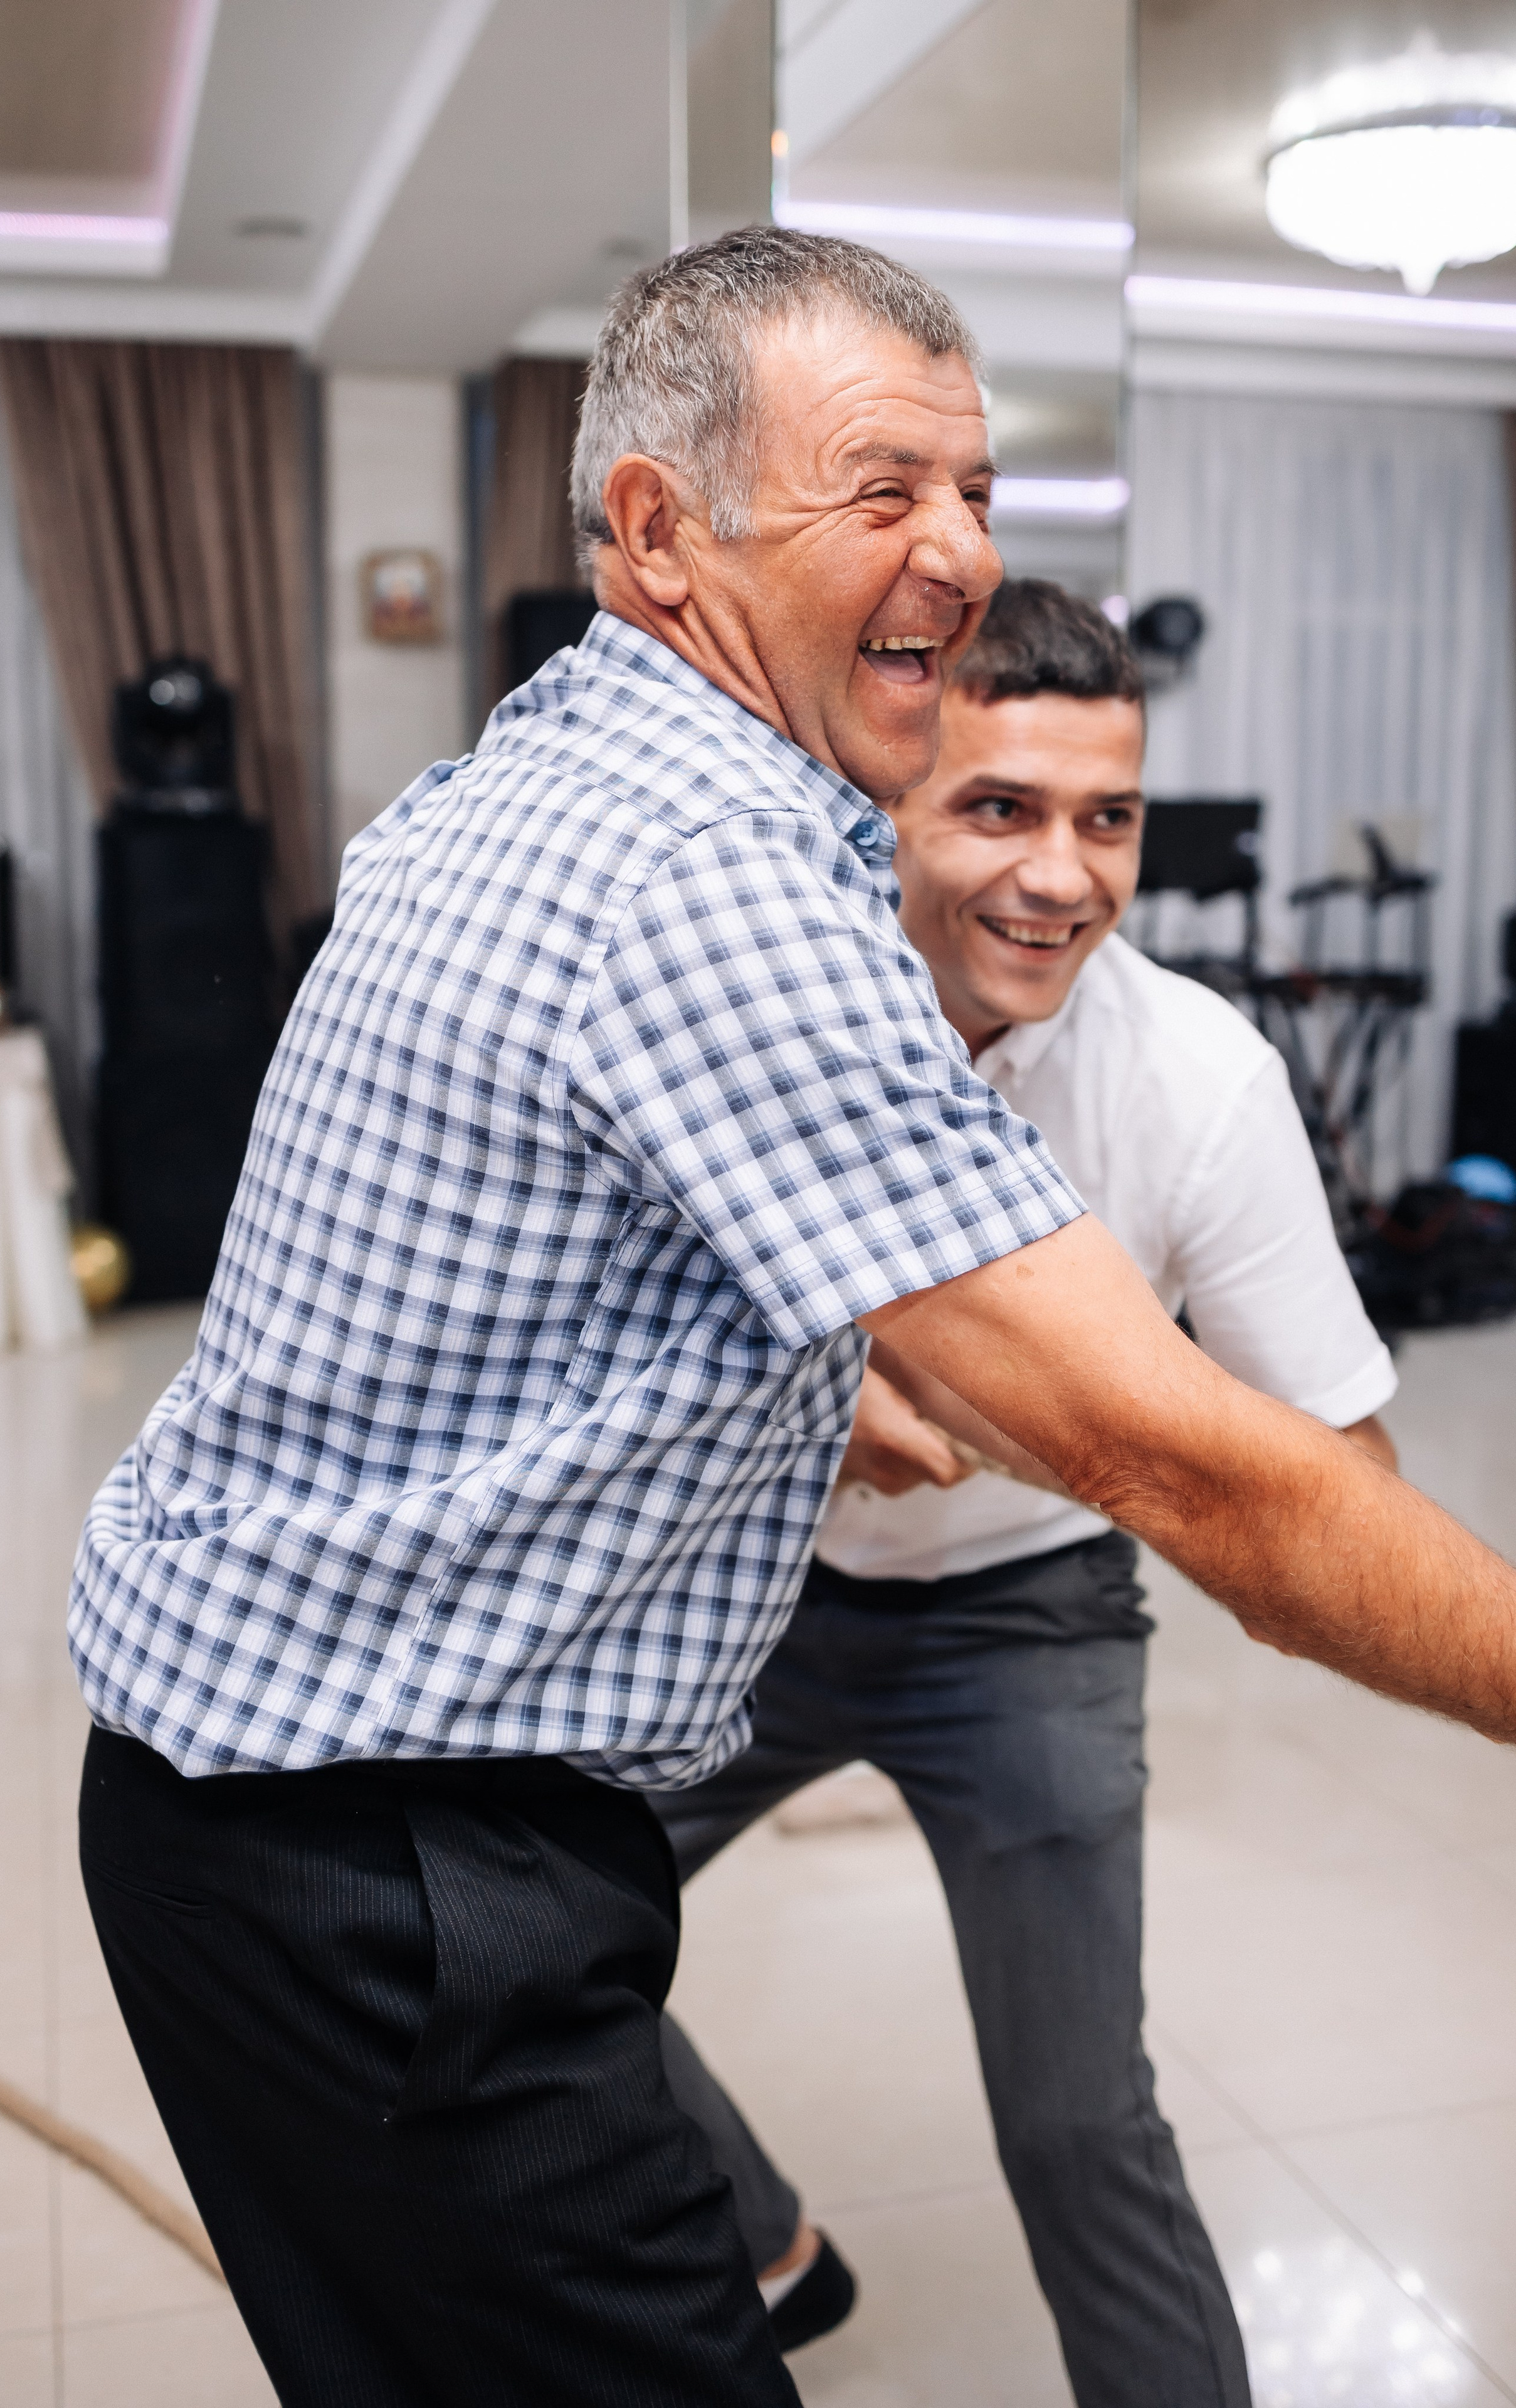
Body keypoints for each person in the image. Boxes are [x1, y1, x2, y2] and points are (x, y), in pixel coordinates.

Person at [67, 227, 1516, 2408]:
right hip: (388, 1862)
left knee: (1075, 2119)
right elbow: (1188, 1463)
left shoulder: (548, 766)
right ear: (660, 532)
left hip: (275, 1804)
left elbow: (552, 1261)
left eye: (978, 490)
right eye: (882, 490)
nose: (960, 551)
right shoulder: (716, 882)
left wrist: (812, 1384)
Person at [656, 578, 1398, 2402]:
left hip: (1029, 1616)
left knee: (1082, 2124)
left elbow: (1343, 1472)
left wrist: (1146, 1450)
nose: (1060, 877)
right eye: (999, 808)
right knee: (511, 1941)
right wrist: (821, 1399)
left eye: (1107, 819)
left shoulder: (1201, 1081)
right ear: (890, 795)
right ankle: (767, 2244)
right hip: (745, 1583)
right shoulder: (750, 998)